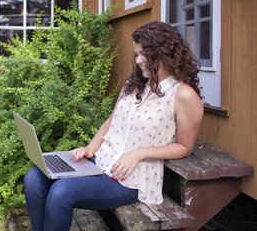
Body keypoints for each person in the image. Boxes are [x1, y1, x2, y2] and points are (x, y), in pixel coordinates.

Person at [23, 21, 204, 231]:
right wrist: (90, 149)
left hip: (130, 179)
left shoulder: (183, 95)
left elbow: (184, 146)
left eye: (145, 54)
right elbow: (111, 121)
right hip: (100, 162)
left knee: (61, 193)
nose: (139, 61)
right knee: (34, 178)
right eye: (137, 54)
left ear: (164, 52)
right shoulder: (134, 84)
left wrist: (139, 153)